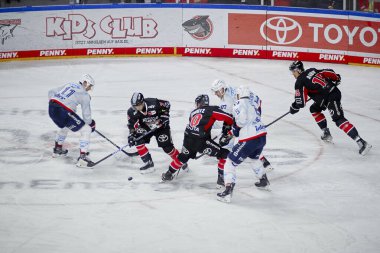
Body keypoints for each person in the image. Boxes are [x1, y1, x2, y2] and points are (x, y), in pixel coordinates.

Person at [288, 60, 372, 155]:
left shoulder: (299, 82)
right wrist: (336, 78)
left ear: (298, 70)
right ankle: (326, 133)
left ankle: (362, 142)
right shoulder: (312, 70)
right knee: (314, 109)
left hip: (331, 97)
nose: (293, 74)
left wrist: (294, 107)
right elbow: (328, 72)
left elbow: (301, 103)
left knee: (338, 119)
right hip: (327, 95)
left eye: (293, 72)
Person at [161, 94, 233, 188]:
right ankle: (221, 179)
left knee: (183, 156)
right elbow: (229, 117)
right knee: (224, 154)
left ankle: (168, 174)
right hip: (201, 141)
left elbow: (195, 124)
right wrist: (227, 129)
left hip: (188, 137)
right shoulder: (211, 109)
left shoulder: (193, 112)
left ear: (199, 103)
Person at [217, 86, 270, 203]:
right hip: (262, 135)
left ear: (239, 95)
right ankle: (263, 180)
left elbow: (241, 122)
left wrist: (233, 131)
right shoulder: (252, 103)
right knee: (253, 158)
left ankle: (227, 191)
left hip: (249, 138)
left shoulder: (239, 103)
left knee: (230, 162)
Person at [210, 79, 273, 172]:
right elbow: (258, 100)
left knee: (245, 141)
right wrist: (256, 117)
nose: (216, 94)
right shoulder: (236, 90)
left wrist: (227, 130)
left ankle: (263, 162)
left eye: (216, 91)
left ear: (222, 89)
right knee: (250, 141)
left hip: (245, 117)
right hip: (251, 113)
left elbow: (229, 117)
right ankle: (264, 162)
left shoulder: (227, 99)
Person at [127, 92, 185, 174]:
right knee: (137, 140)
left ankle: (181, 161)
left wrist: (164, 117)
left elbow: (167, 104)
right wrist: (131, 135)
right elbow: (131, 125)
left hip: (160, 127)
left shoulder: (153, 103)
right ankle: (148, 163)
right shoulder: (131, 111)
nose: (136, 108)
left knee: (167, 148)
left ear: (143, 102)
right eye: (134, 106)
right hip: (146, 127)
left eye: (138, 105)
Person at [48, 74, 96, 167]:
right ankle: (83, 159)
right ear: (85, 83)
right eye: (89, 86)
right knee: (86, 130)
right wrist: (91, 124)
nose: (89, 89)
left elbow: (51, 92)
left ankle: (58, 149)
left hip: (52, 107)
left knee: (66, 126)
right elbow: (87, 117)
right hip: (63, 111)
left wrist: (61, 105)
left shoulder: (69, 85)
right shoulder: (85, 95)